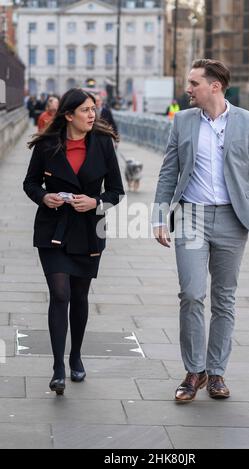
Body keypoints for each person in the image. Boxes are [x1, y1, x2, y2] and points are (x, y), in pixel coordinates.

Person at [152, 59, 249, 402]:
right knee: (192, 294)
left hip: (232, 219)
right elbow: (169, 171)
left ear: (215, 86)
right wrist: (157, 216)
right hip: (190, 217)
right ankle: (193, 371)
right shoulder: (182, 121)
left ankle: (216, 373)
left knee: (224, 299)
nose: (188, 89)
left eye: (194, 83)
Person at [23, 88, 124, 396]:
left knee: (79, 296)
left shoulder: (104, 144)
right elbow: (30, 183)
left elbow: (116, 192)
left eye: (94, 109)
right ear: (68, 115)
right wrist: (44, 197)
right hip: (52, 229)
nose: (92, 114)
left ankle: (76, 355)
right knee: (60, 293)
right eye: (85, 110)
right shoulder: (46, 145)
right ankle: (57, 368)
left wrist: (95, 203)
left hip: (89, 230)